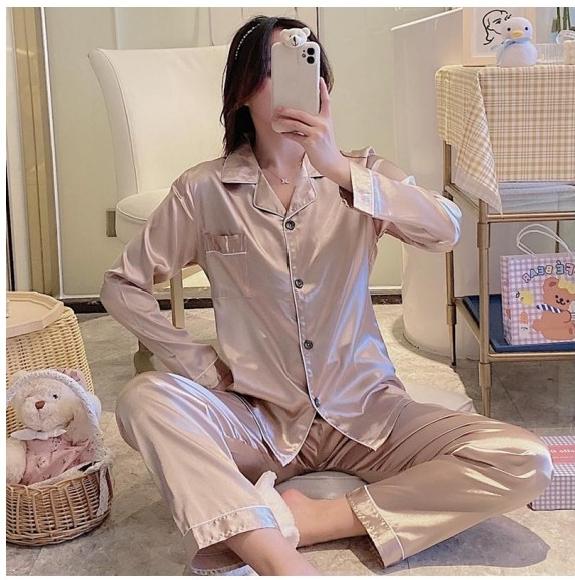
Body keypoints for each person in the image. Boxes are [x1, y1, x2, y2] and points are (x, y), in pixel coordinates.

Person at [100, 15, 553, 576]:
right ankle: (279, 561)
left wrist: (337, 168)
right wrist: (195, 362)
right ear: (244, 89)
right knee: (144, 399)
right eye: (278, 67)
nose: (299, 82)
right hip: (259, 421)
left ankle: (310, 521)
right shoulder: (203, 190)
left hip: (370, 414)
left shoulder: (362, 175)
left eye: (308, 63)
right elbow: (122, 284)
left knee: (524, 460)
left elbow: (445, 230)